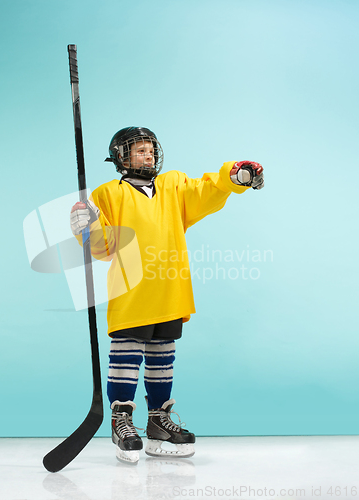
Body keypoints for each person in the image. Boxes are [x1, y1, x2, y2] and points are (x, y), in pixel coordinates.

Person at [70, 127, 264, 463]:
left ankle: (158, 420)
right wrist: (85, 226)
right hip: (131, 291)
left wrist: (236, 176)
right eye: (138, 151)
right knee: (127, 355)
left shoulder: (173, 186)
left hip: (170, 288)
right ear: (121, 156)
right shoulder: (106, 195)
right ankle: (121, 420)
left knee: (163, 354)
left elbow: (208, 189)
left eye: (150, 150)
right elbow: (103, 248)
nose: (147, 156)